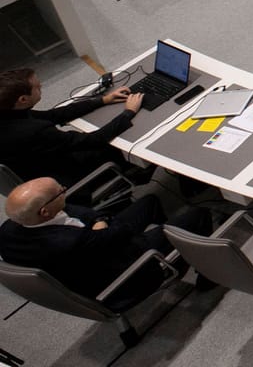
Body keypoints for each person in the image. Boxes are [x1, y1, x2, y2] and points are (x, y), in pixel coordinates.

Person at [0, 177, 211, 304]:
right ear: (45, 212)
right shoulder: (66, 242)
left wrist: (99, 220)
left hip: (98, 251)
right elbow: (122, 231)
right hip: (122, 269)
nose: (64, 190)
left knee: (149, 202)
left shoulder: (11, 227)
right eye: (60, 192)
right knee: (199, 214)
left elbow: (74, 209)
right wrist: (101, 226)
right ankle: (208, 275)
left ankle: (175, 256)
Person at [0, 69, 147, 185]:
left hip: (36, 167)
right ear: (23, 99)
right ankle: (137, 175)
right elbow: (95, 140)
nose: (41, 86)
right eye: (37, 87)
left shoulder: (9, 112)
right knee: (115, 144)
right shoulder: (35, 131)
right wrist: (128, 112)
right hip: (64, 175)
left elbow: (54, 115)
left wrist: (103, 100)